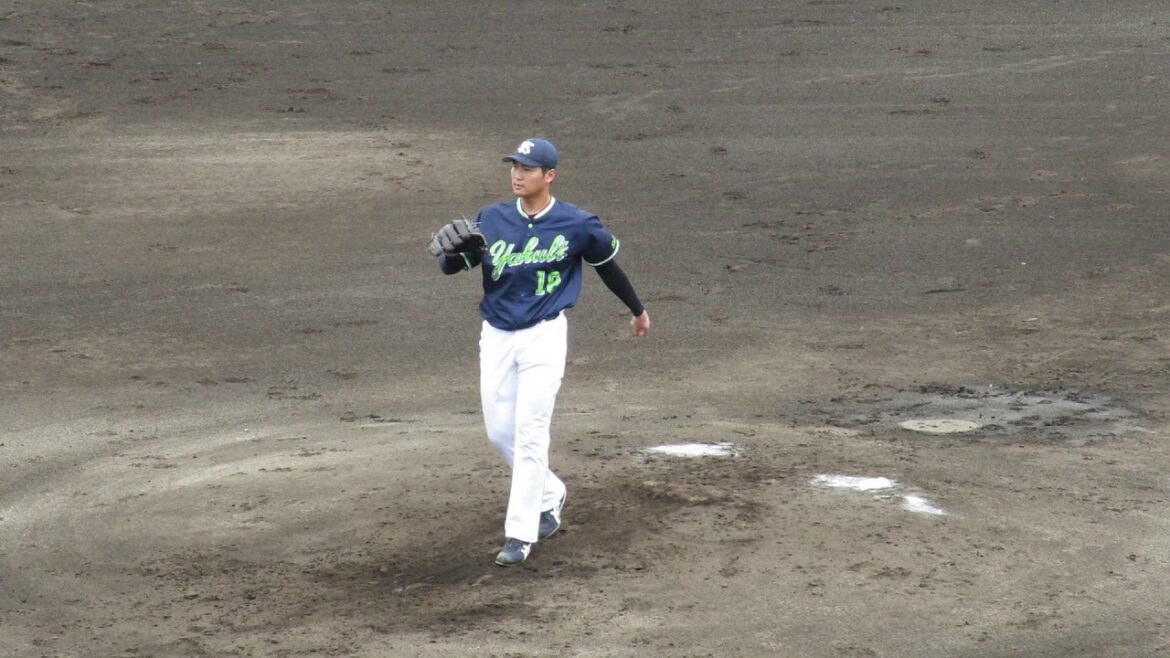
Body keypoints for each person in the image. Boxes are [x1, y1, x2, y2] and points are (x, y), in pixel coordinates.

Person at [432, 137, 650, 566]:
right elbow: (453, 267)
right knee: (500, 433)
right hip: (496, 335)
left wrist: (637, 310)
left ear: (549, 176)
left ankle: (521, 533)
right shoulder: (491, 218)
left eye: (527, 168)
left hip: (544, 337)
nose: (518, 174)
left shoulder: (577, 224)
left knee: (531, 432)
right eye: (514, 166)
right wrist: (454, 254)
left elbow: (608, 268)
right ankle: (550, 492)